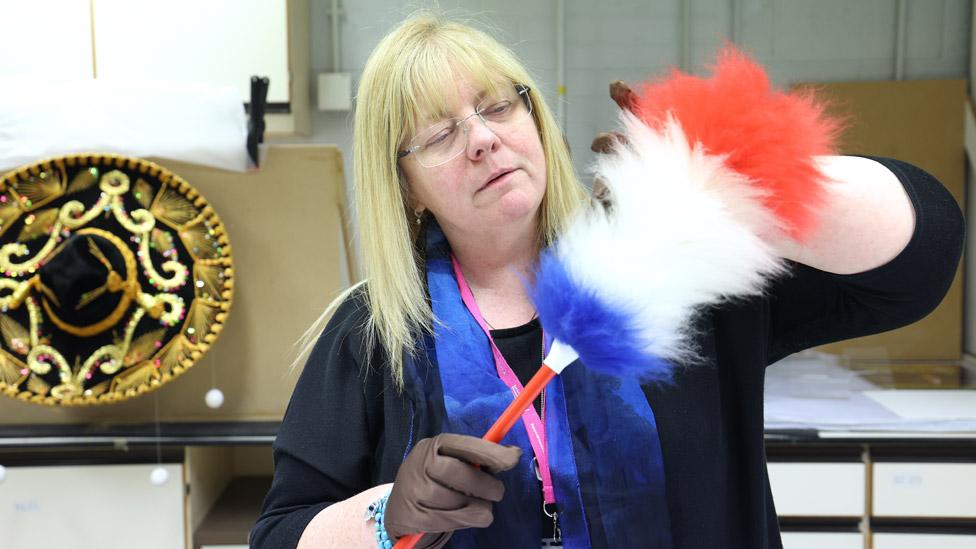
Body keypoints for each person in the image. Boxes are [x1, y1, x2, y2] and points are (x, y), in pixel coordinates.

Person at [250, 11, 964, 549]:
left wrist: (744, 183)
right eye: (439, 133)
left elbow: (920, 255)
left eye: (499, 104)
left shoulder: (666, 261)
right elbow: (280, 535)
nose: (482, 137)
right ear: (404, 186)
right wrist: (385, 513)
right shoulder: (372, 337)